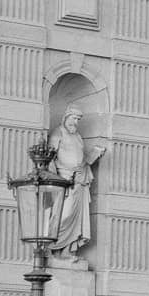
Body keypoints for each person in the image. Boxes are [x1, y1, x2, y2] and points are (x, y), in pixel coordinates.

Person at [48, 106, 104, 262]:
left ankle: (67, 250)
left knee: (76, 218)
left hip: (80, 180)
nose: (76, 122)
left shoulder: (78, 136)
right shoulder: (58, 133)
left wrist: (93, 155)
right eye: (74, 118)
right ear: (66, 117)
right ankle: (50, 248)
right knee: (63, 215)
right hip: (64, 180)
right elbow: (50, 157)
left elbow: (81, 159)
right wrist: (56, 179)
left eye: (78, 119)